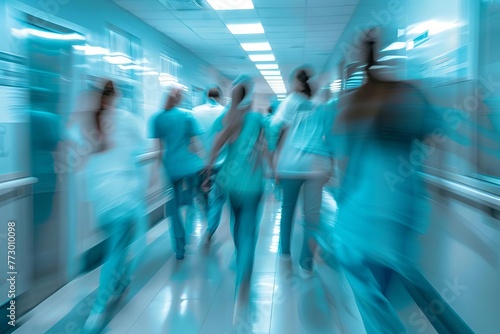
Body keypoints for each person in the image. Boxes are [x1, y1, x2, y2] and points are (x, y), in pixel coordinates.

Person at [330, 32, 448, 333]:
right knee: (386, 287)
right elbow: (437, 140)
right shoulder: (410, 94)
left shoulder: (351, 103)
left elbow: (342, 163)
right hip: (399, 216)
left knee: (371, 298)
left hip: (357, 217)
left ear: (357, 58)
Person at [83, 80, 147, 333]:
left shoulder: (92, 124)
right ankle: (98, 309)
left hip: (101, 200)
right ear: (117, 96)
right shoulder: (128, 119)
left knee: (117, 246)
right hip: (124, 197)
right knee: (127, 247)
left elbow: (87, 165)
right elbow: (142, 148)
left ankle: (119, 282)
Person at [204, 75, 270, 302]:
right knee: (249, 229)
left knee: (236, 221)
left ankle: (241, 254)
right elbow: (268, 145)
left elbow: (213, 146)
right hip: (253, 182)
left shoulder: (227, 117)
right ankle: (244, 278)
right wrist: (270, 166)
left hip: (229, 182)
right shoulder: (257, 118)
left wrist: (207, 173)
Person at [268, 66, 336, 275]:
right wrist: (330, 166)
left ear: (296, 83)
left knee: (287, 210)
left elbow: (273, 129)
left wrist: (273, 161)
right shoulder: (322, 107)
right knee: (312, 216)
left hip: (290, 166)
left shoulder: (290, 102)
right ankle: (306, 263)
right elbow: (330, 138)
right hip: (316, 166)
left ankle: (285, 253)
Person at [149, 84, 206, 260]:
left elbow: (158, 150)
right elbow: (195, 144)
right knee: (190, 204)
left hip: (171, 167)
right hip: (190, 167)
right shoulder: (188, 116)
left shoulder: (157, 118)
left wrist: (154, 175)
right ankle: (188, 236)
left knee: (173, 207)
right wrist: (205, 161)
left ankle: (179, 247)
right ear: (180, 99)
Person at [191, 85, 227, 245]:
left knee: (202, 195)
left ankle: (207, 217)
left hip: (199, 162)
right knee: (219, 197)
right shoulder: (225, 112)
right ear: (219, 96)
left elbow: (191, 139)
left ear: (206, 95)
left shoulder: (194, 111)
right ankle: (210, 228)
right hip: (222, 162)